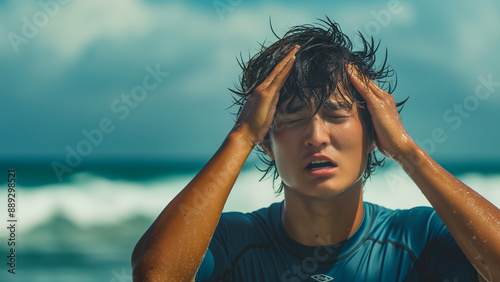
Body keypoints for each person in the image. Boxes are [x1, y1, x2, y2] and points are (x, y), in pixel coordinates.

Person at [131, 17, 500, 281]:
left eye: (336, 114)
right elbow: (155, 275)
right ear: (267, 142)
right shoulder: (233, 242)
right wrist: (241, 136)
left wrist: (407, 152)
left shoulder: (418, 239)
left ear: (374, 133)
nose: (316, 136)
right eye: (291, 119)